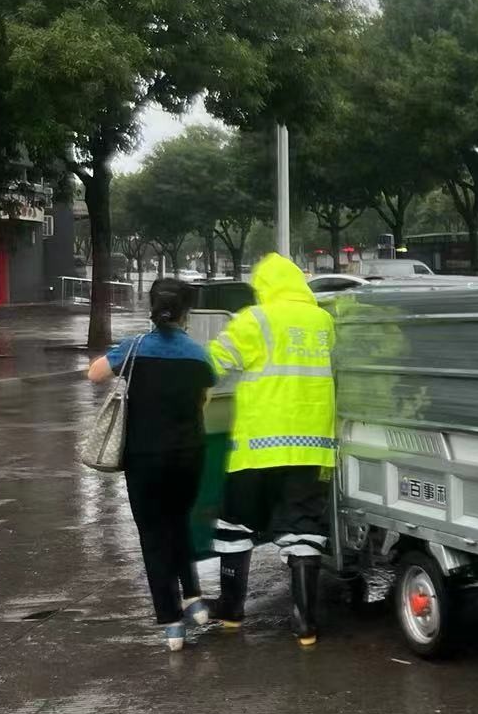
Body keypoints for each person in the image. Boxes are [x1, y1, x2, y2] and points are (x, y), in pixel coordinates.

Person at [205, 253, 337, 646]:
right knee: (304, 530)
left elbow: (212, 364)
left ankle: (230, 611)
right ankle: (305, 624)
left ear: (264, 287)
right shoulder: (324, 322)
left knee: (235, 525)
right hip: (313, 449)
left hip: (258, 449)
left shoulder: (253, 319)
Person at [88, 277, 216, 651]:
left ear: (152, 308)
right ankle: (193, 598)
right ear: (186, 313)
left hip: (144, 458)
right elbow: (206, 391)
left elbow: (94, 373)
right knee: (177, 522)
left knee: (153, 536)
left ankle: (172, 623)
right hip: (189, 455)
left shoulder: (135, 348)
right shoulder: (197, 354)